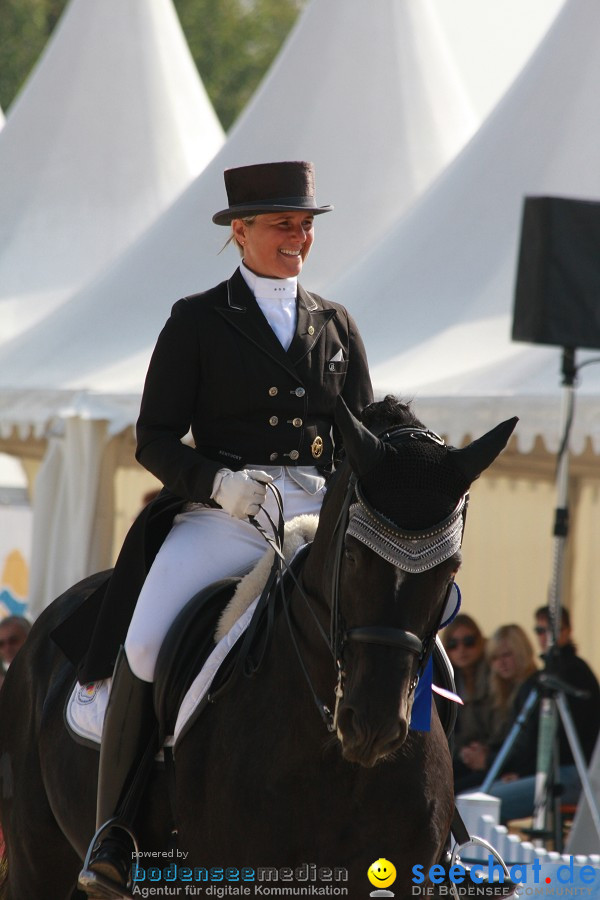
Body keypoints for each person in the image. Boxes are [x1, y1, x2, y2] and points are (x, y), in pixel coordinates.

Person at [76, 160, 373, 898]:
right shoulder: (198, 320)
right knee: (145, 639)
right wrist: (217, 482)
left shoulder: (334, 322)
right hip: (229, 514)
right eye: (282, 224)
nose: (298, 236)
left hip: (314, 518)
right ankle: (114, 830)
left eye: (305, 224)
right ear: (239, 231)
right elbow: (154, 437)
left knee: (399, 628)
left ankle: (438, 817)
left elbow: (362, 432)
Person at [468, 606, 600, 823]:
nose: (544, 636)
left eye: (551, 630)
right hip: (555, 772)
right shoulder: (550, 674)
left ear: (566, 631)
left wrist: (521, 771)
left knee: (479, 806)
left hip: (573, 776)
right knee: (473, 799)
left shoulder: (570, 674)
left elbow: (557, 740)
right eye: (539, 631)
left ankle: (486, 855)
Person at [454, 623, 537, 792]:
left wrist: (487, 759)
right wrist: (483, 751)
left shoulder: (531, 688)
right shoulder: (505, 692)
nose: (501, 663)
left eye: (507, 655)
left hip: (520, 770)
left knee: (459, 795)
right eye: (494, 658)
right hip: (505, 765)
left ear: (522, 653)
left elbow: (527, 748)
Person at [442, 614, 492, 784]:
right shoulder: (444, 681)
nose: (461, 649)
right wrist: (462, 753)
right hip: (459, 757)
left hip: (491, 758)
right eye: (453, 644)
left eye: (469, 641)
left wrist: (486, 752)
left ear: (481, 642)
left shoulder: (494, 676)